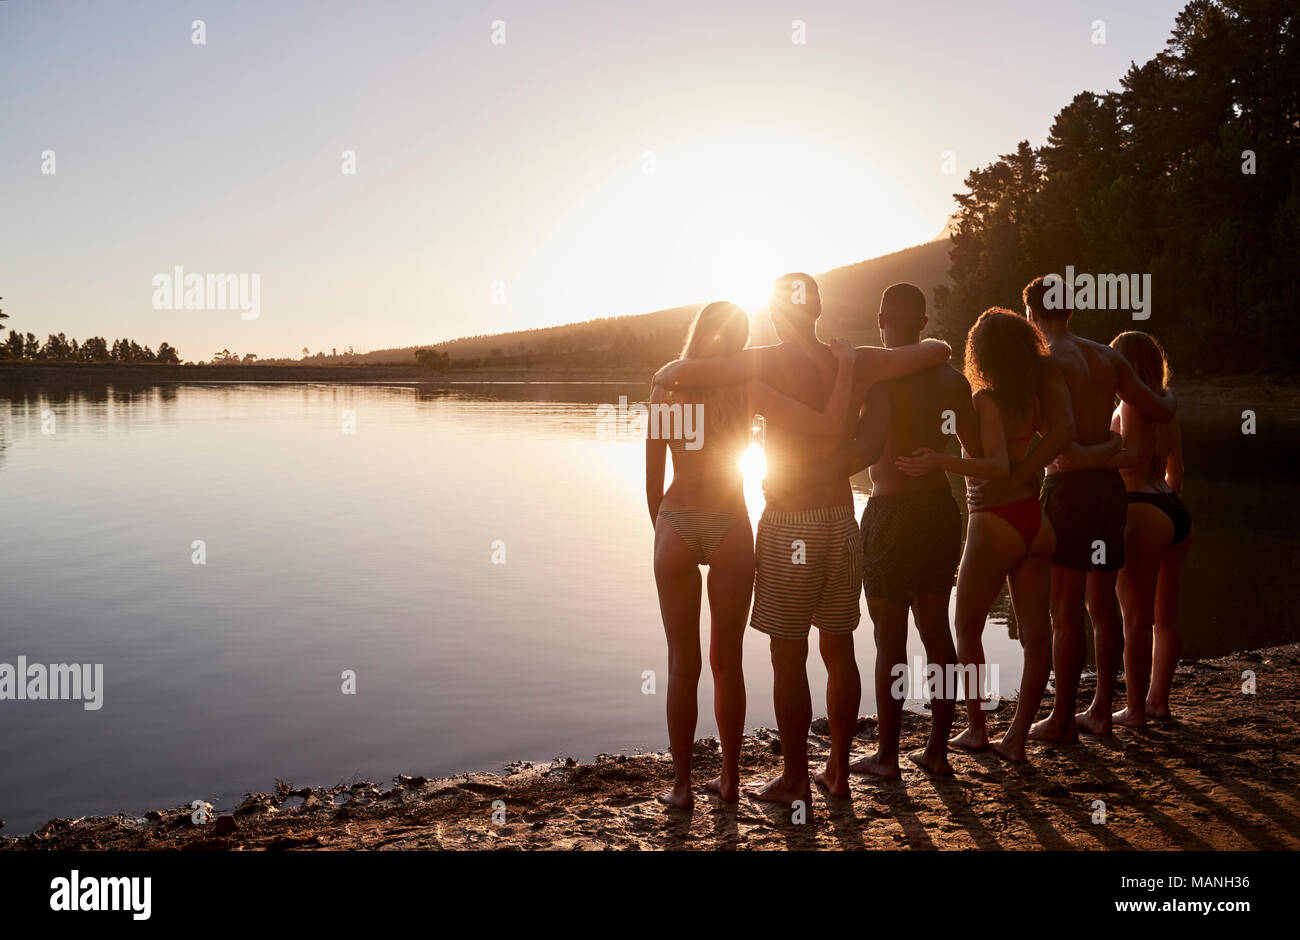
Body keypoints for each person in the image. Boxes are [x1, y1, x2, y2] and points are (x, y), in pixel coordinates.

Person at [653, 274, 951, 806]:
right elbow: (935, 350)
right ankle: (835, 772)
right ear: (818, 310)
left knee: (777, 658)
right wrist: (854, 367)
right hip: (841, 517)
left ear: (772, 317)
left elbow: (690, 375)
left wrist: (673, 371)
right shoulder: (856, 359)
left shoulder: (758, 362)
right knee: (839, 649)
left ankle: (789, 781)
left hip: (783, 521)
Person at [645, 301, 856, 810]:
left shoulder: (665, 389)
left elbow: (653, 484)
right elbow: (825, 424)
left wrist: (667, 530)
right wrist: (848, 367)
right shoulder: (749, 389)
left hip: (676, 520)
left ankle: (680, 787)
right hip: (731, 525)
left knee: (681, 664)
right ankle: (731, 781)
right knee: (728, 663)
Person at [811, 283, 978, 778]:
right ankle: (938, 752)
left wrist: (810, 473)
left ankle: (886, 756)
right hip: (940, 512)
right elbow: (976, 449)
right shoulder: (954, 381)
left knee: (890, 641)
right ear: (924, 324)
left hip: (890, 515)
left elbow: (866, 451)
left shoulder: (882, 380)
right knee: (937, 631)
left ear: (880, 319)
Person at [899, 308, 1075, 761]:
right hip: (1035, 522)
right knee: (1038, 637)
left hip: (994, 518)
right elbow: (1052, 437)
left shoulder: (986, 400)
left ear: (982, 352)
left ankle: (977, 727)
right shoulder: (1030, 402)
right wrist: (1025, 469)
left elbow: (995, 465)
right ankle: (1015, 738)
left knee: (966, 626)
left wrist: (940, 461)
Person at [1008, 277, 1176, 742]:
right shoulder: (1107, 355)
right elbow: (1159, 408)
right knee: (1102, 608)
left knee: (1065, 611)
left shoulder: (1041, 361)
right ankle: (1102, 709)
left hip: (1068, 490)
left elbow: (1041, 435)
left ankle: (1063, 719)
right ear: (1071, 311)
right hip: (1108, 492)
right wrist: (1169, 398)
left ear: (1030, 315)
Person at [1107, 331, 1191, 727]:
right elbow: (1177, 471)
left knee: (1135, 619)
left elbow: (1129, 463)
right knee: (1166, 618)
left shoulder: (1127, 407)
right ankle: (1158, 701)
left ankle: (1135, 709)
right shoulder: (1167, 409)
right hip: (1173, 510)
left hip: (1140, 508)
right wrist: (1166, 508)